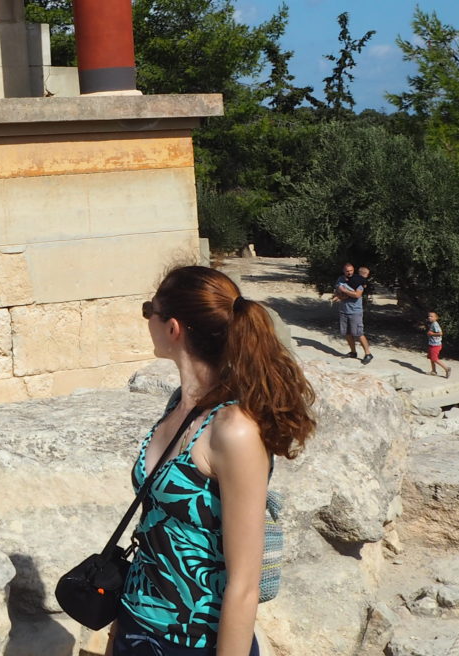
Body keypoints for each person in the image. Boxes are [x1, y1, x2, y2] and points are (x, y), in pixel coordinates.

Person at [110, 266, 316, 656]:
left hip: (195, 641)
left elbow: (244, 583)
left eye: (147, 311)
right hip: (137, 626)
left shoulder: (233, 430)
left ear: (172, 328)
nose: (146, 321)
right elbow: (153, 525)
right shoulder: (179, 405)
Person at [333, 262, 370, 364]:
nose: (349, 273)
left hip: (355, 311)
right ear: (343, 271)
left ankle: (368, 354)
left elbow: (357, 295)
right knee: (347, 333)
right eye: (347, 271)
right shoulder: (340, 279)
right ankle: (353, 352)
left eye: (351, 271)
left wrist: (344, 291)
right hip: (344, 310)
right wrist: (338, 295)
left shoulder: (358, 281)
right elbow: (337, 291)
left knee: (358, 333)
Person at [422, 311, 450, 378]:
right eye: (429, 316)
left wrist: (432, 334)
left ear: (436, 318)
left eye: (431, 316)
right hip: (432, 344)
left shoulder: (435, 324)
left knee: (434, 358)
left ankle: (447, 368)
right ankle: (433, 371)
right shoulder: (432, 324)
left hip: (435, 345)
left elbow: (440, 333)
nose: (429, 317)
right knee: (431, 358)